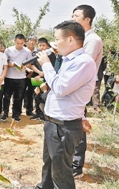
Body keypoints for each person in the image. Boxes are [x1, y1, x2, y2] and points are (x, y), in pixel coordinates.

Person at [35, 20, 96, 189]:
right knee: (48, 166)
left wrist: (46, 65)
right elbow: (73, 93)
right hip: (53, 123)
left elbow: (61, 88)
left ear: (70, 40)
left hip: (64, 126)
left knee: (61, 173)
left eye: (57, 39)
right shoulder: (68, 60)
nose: (54, 44)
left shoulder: (83, 62)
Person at [71, 4, 103, 178]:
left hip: (81, 87)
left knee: (78, 123)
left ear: (87, 19)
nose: (73, 18)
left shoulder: (93, 40)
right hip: (76, 86)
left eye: (76, 16)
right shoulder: (82, 38)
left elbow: (83, 66)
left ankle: (76, 166)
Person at [1, 34, 33, 122]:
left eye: (21, 43)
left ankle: (16, 115)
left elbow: (29, 64)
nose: (19, 45)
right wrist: (13, 64)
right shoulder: (8, 50)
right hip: (9, 77)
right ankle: (5, 114)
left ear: (24, 42)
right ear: (14, 41)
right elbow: (5, 63)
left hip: (21, 78)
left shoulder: (27, 51)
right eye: (18, 43)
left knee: (18, 98)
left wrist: (24, 65)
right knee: (7, 97)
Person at [30, 38, 56, 120]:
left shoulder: (51, 54)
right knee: (36, 94)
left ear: (47, 46)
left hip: (46, 78)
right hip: (36, 77)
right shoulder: (35, 53)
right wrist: (38, 73)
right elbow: (32, 65)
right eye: (40, 45)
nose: (41, 47)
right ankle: (37, 113)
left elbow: (52, 67)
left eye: (43, 45)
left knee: (45, 95)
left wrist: (42, 74)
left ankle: (44, 114)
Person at [23, 35, 38, 116]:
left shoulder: (37, 52)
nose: (32, 42)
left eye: (34, 41)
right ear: (27, 42)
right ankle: (18, 110)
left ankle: (29, 110)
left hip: (34, 75)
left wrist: (32, 73)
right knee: (20, 92)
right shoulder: (23, 50)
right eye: (30, 40)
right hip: (22, 74)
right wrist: (27, 71)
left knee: (31, 93)